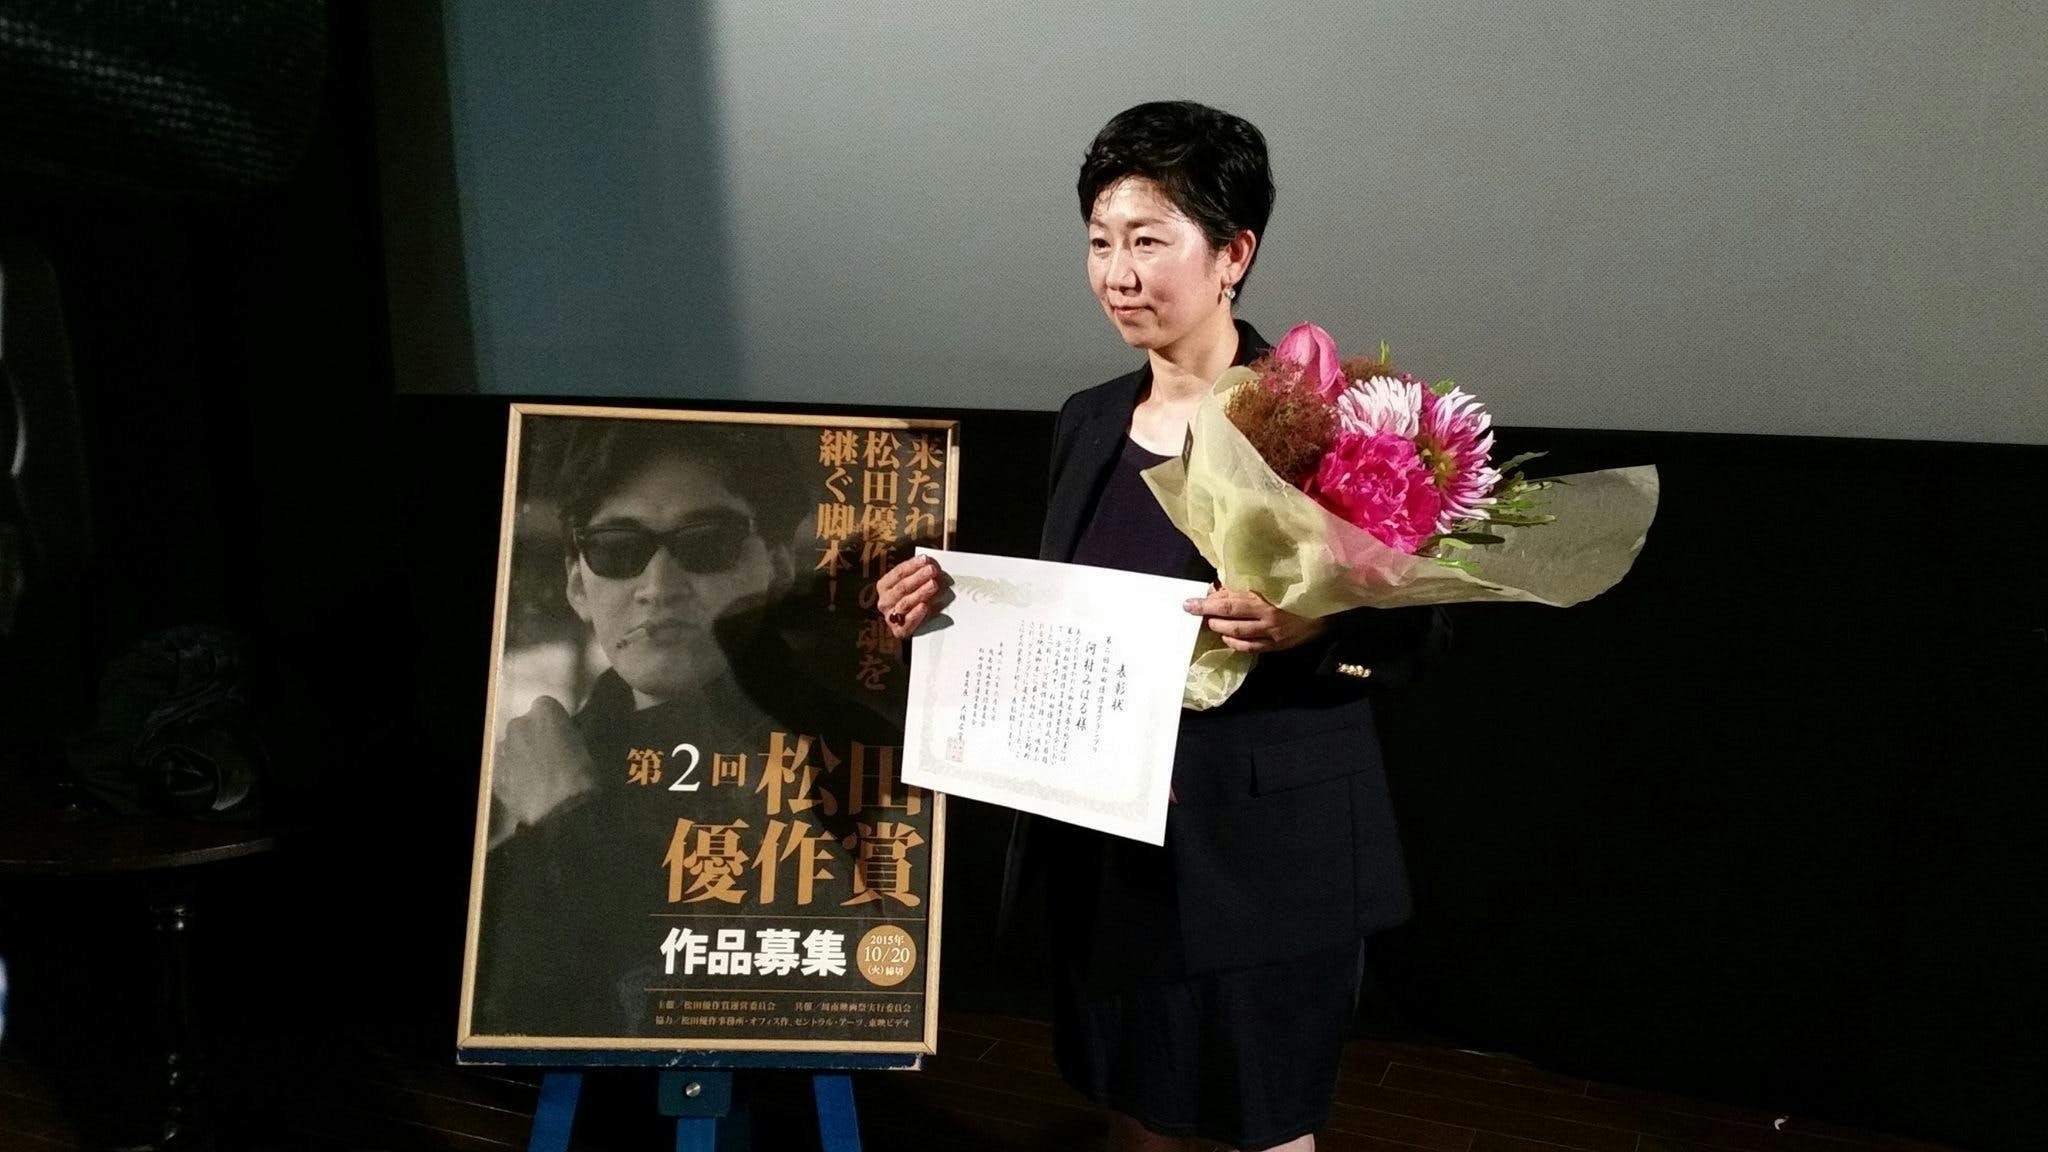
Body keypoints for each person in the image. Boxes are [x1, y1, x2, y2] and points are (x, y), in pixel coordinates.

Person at [876, 101, 1446, 1152]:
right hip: (1110, 847)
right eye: (1100, 242)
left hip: (1264, 859)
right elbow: (1066, 615)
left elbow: (1415, 639)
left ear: (1233, 254)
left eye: (1148, 241)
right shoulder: (1090, 417)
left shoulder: (1324, 420)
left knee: (1263, 1127)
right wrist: (945, 609)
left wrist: (1308, 629)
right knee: (1132, 1112)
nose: (1118, 274)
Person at [473, 420, 890, 1037]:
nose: (659, 588)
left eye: (708, 543)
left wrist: (565, 820)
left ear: (776, 568)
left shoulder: (844, 753)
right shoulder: (552, 754)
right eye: (617, 549)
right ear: (577, 584)